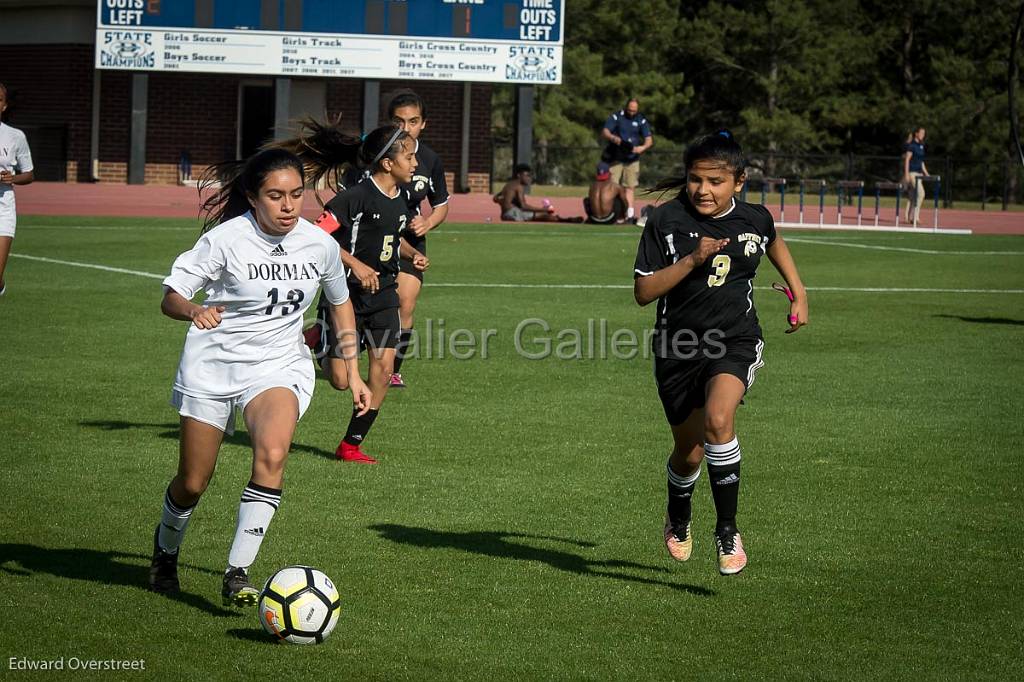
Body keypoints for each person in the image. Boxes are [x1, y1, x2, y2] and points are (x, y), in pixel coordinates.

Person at [148, 148, 371, 604]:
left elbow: (339, 302)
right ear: (253, 197)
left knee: (272, 453)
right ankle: (165, 553)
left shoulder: (319, 244)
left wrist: (354, 371)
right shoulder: (226, 241)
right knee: (193, 481)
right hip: (213, 366)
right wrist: (194, 310)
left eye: (296, 194)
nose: (289, 205)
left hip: (277, 365)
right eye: (275, 196)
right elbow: (171, 296)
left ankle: (237, 573)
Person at [633, 130, 808, 576]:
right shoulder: (665, 220)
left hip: (735, 339)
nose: (703, 190)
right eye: (695, 179)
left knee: (718, 420)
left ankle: (727, 530)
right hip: (678, 346)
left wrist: (798, 291)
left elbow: (772, 242)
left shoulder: (755, 218)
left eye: (715, 181)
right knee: (688, 453)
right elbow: (643, 291)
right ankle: (679, 512)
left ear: (739, 182)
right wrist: (692, 260)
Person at [305, 125, 429, 464]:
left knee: (384, 368)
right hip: (346, 296)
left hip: (385, 294)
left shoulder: (401, 199)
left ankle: (351, 444)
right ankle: (319, 340)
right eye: (409, 156)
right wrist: (356, 265)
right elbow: (317, 236)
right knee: (342, 381)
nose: (415, 163)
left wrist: (409, 254)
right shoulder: (355, 197)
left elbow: (392, 237)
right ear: (388, 164)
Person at [386, 89, 449, 389]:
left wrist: (428, 222)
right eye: (399, 122)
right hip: (372, 237)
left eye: (412, 122)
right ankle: (326, 336)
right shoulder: (376, 153)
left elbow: (441, 204)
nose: (405, 128)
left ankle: (393, 369)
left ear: (423, 124)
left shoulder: (430, 159)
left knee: (405, 303)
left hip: (410, 239)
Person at [0, 82, 35, 297]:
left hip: (3, 207)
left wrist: (12, 177)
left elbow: (29, 174)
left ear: (4, 106)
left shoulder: (15, 136)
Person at [602, 98, 652, 223]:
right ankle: (611, 213)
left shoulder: (641, 119)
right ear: (626, 107)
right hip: (616, 158)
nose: (632, 112)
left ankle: (629, 215)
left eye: (634, 110)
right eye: (630, 110)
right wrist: (613, 138)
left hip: (632, 159)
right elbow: (605, 131)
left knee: (630, 187)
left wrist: (642, 148)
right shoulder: (617, 116)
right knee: (612, 186)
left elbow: (649, 140)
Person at [493, 164, 582, 222]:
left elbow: (495, 198)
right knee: (544, 215)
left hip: (505, 215)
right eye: (526, 175)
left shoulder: (509, 184)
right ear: (519, 175)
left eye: (530, 176)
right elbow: (524, 206)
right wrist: (544, 209)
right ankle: (566, 220)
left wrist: (502, 202)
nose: (529, 178)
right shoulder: (519, 186)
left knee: (540, 216)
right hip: (513, 214)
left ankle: (565, 219)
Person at [902, 127, 929, 225]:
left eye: (924, 133)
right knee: (921, 194)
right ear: (916, 134)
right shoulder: (912, 145)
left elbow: (921, 162)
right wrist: (906, 174)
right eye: (921, 133)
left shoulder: (921, 146)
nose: (923, 135)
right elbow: (907, 160)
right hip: (912, 174)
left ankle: (907, 217)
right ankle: (915, 217)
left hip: (919, 174)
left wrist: (926, 174)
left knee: (913, 196)